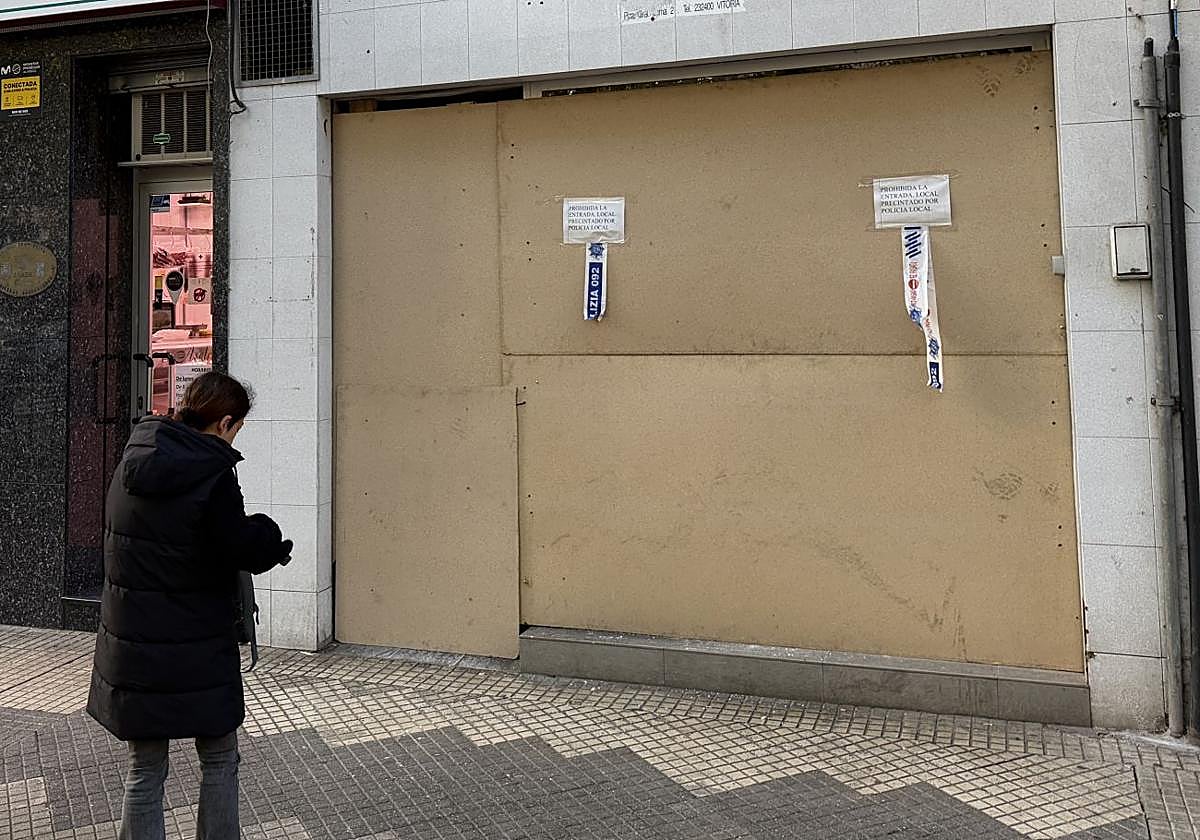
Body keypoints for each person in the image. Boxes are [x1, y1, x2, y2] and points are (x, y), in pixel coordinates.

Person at [87, 372, 293, 840]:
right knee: (220, 758)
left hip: (133, 643)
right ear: (224, 422)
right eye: (237, 427)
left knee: (145, 770)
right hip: (195, 643)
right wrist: (271, 537)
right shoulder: (212, 473)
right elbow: (236, 545)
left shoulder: (133, 458)